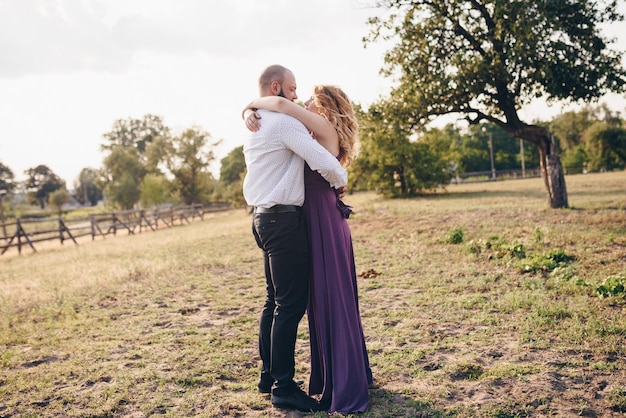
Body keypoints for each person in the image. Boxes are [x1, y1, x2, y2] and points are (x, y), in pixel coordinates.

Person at [243, 84, 373, 414]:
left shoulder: (321, 126)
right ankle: (300, 376)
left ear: (326, 105)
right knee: (309, 300)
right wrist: (247, 112)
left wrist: (250, 105)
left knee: (330, 299)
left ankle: (339, 379)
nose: (304, 101)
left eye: (312, 98)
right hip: (311, 218)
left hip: (322, 219)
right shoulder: (313, 130)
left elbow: (282, 106)